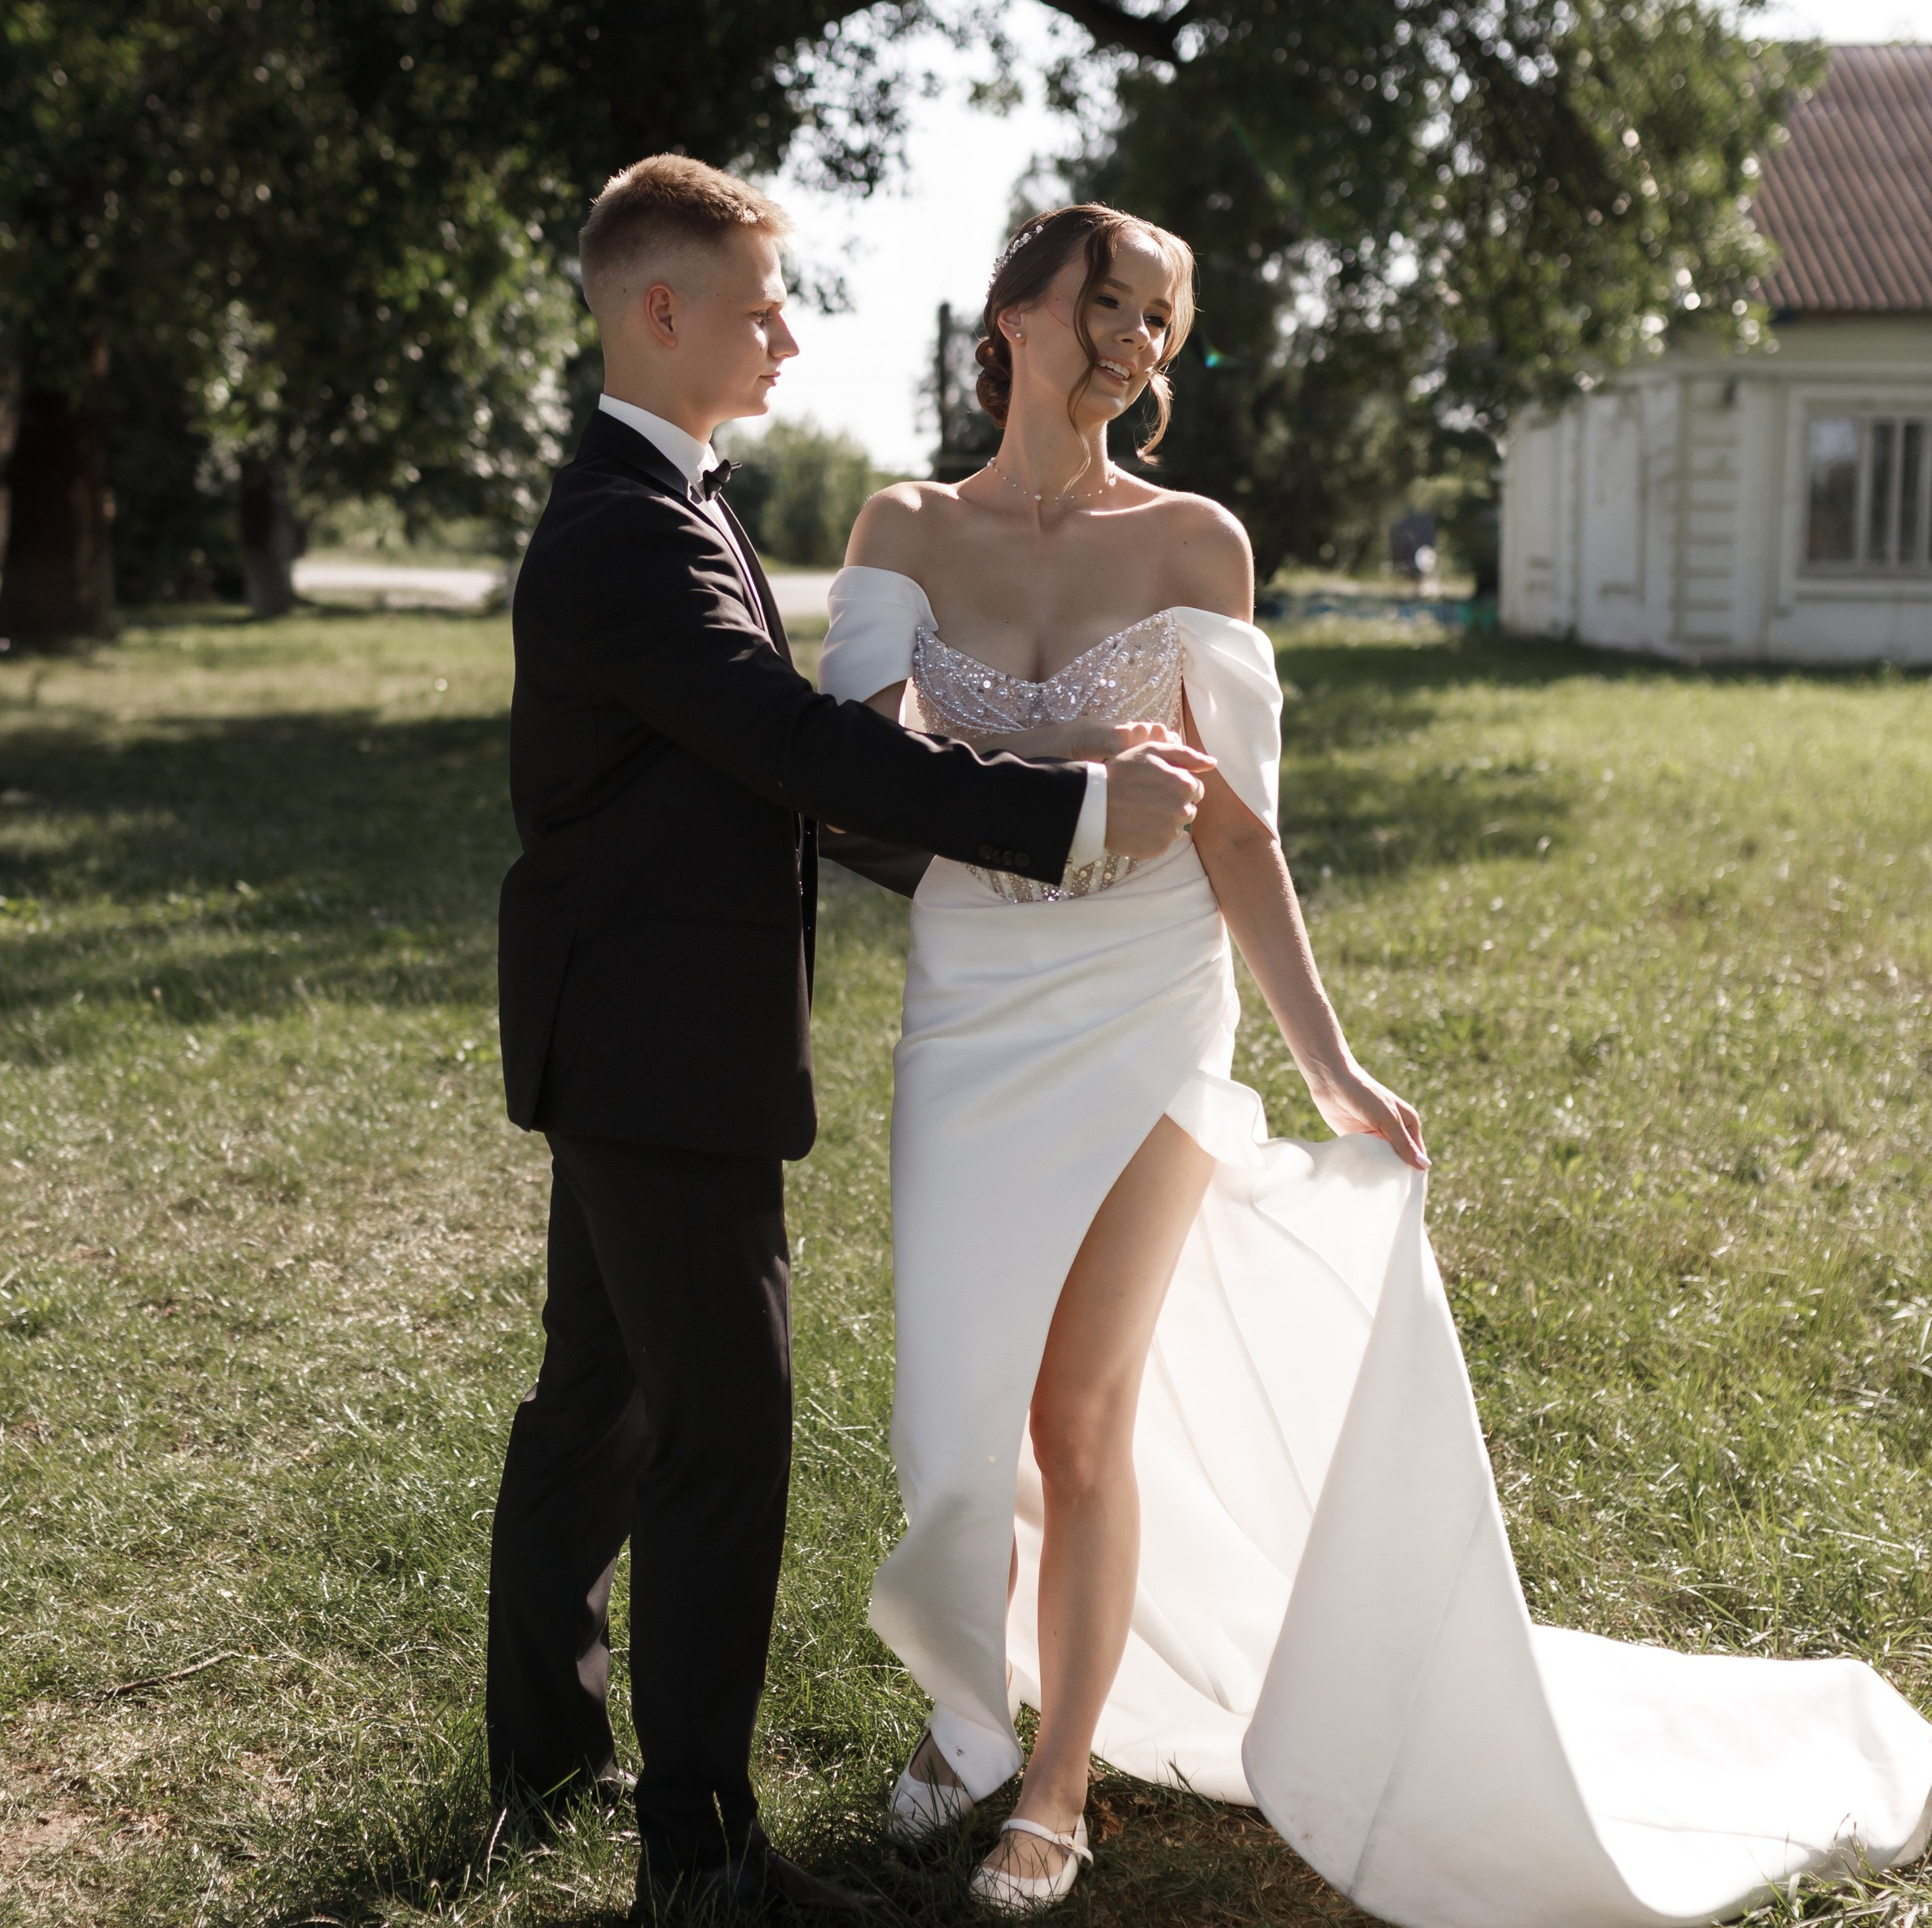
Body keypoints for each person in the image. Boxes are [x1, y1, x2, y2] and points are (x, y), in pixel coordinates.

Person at [818, 202, 1932, 1921]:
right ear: (1013, 312)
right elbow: (860, 764)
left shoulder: (1194, 541)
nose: (1137, 341)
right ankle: (968, 1706)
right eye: (1108, 303)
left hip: (1143, 1004)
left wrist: (1322, 1059)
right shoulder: (898, 521)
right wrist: (1015, 764)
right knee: (954, 1435)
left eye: (1162, 322)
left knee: (1075, 1412)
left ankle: (1051, 1782)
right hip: (967, 1012)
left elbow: (1240, 826)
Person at [489, 156, 1211, 1924]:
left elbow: (803, 773)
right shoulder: (624, 528)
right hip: (667, 1046)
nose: (786, 332)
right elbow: (791, 746)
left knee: (597, 1396)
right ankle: (703, 1852)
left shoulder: (662, 497)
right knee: (718, 1433)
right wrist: (1060, 817)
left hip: (633, 1029)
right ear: (661, 310)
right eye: (757, 306)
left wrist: (984, 863)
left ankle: (545, 1757)